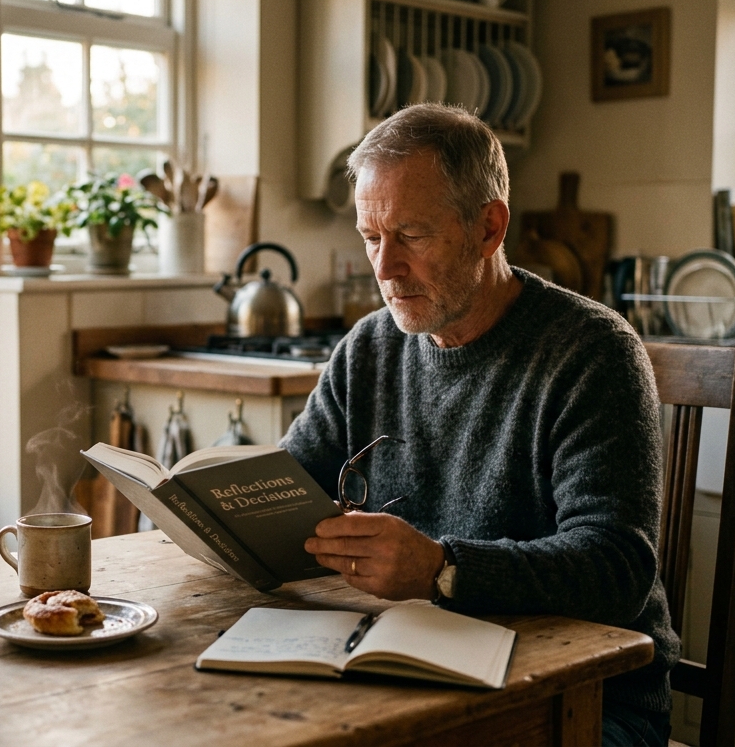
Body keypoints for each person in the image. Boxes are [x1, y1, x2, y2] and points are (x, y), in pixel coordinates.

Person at [281, 103, 679, 747]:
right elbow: (292, 488)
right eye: (370, 237)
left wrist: (442, 568)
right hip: (419, 669)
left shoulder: (593, 351)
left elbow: (617, 567)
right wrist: (230, 508)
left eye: (411, 235)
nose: (384, 269)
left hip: (586, 699)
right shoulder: (369, 348)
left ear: (489, 227)